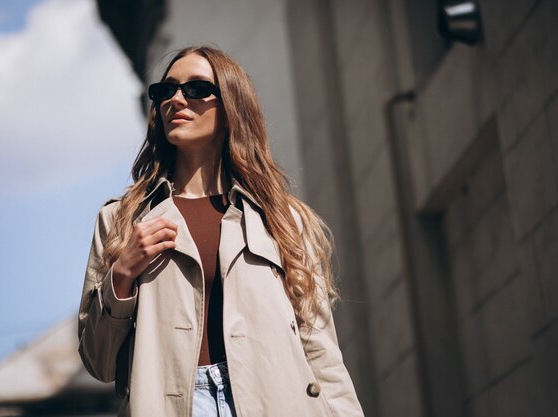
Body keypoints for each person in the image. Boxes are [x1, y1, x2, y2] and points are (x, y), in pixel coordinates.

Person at [78, 45, 364, 417]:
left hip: (276, 400)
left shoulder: (282, 218)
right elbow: (98, 362)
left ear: (231, 107)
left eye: (197, 89)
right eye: (166, 91)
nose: (177, 99)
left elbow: (319, 348)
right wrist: (122, 274)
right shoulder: (121, 220)